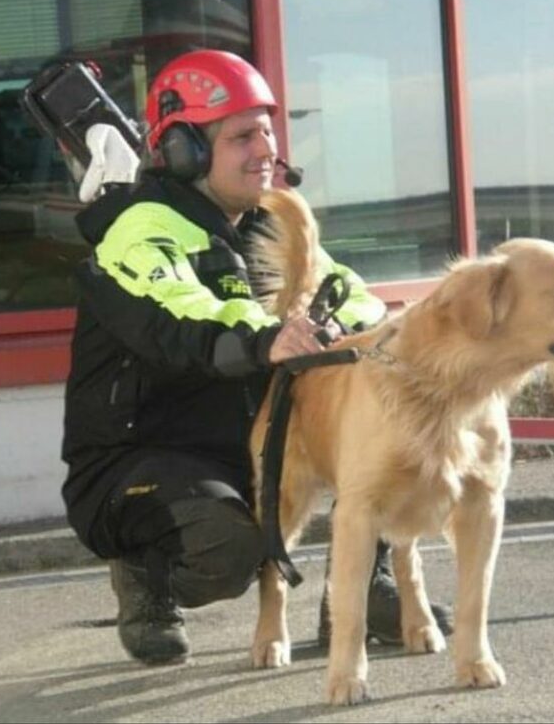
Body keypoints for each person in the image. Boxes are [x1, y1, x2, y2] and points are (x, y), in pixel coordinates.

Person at [59, 49, 448, 666]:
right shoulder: (140, 229)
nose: (265, 149)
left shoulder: (262, 228)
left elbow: (350, 298)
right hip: (141, 463)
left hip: (246, 451)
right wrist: (268, 336)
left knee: (367, 418)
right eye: (243, 136)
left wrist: (390, 339)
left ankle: (358, 590)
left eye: (268, 131)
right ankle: (145, 570)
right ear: (185, 149)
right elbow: (179, 310)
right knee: (230, 552)